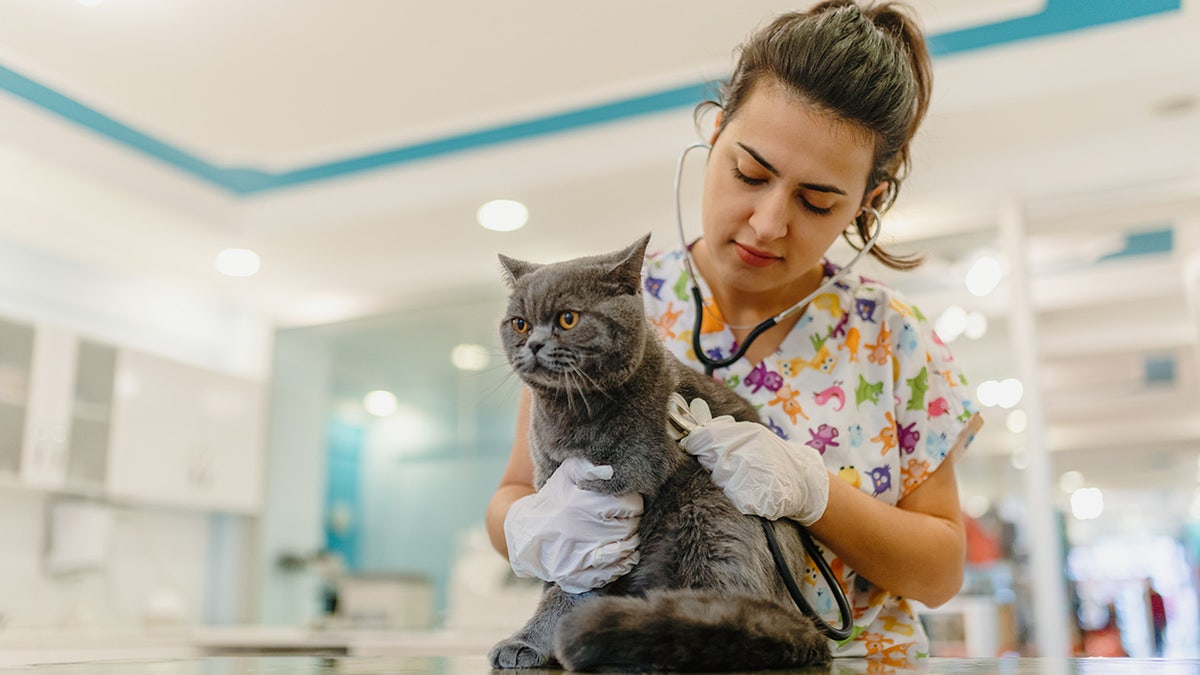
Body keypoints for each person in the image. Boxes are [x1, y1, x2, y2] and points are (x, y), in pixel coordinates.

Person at [485, 0, 983, 660]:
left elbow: (941, 568)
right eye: (749, 173)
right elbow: (514, 492)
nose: (768, 222)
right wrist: (526, 527)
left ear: (867, 201)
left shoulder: (893, 339)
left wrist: (814, 492)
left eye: (817, 200)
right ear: (714, 134)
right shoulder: (599, 305)